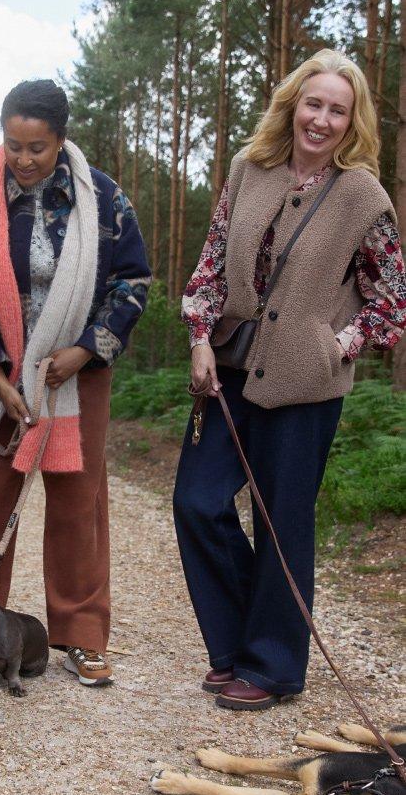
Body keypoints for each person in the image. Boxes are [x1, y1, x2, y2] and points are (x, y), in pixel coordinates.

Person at [174, 49, 406, 711]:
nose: (322, 118)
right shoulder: (249, 171)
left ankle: (271, 667)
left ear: (351, 120)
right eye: (314, 103)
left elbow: (392, 299)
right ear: (292, 106)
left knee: (281, 522)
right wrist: (197, 338)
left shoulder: (363, 195)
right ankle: (239, 644)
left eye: (338, 109)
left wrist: (340, 344)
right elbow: (209, 268)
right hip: (227, 367)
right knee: (198, 500)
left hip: (306, 384)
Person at [0, 79, 151, 687]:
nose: (25, 159)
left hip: (76, 377)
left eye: (37, 147)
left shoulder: (104, 199)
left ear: (61, 140)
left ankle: (82, 635)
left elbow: (132, 282)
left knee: (77, 505)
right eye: (14, 145)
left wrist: (85, 350)